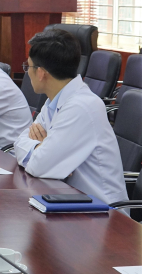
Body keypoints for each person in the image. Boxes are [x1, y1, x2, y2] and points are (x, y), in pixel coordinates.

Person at [14, 30, 126, 205]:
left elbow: (38, 166)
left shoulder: (81, 107)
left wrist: (45, 153)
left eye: (28, 67)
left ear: (41, 73)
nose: (27, 72)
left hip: (103, 211)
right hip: (68, 198)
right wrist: (41, 148)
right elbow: (19, 142)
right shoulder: (54, 100)